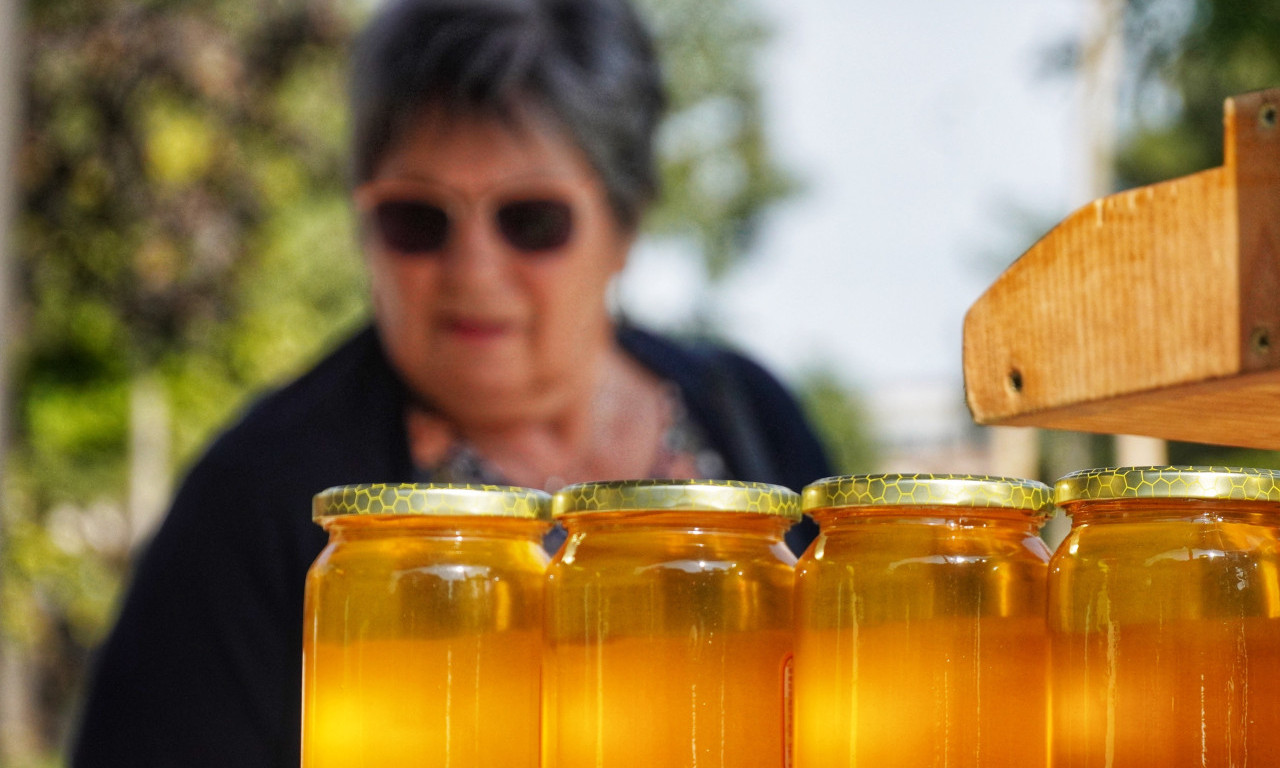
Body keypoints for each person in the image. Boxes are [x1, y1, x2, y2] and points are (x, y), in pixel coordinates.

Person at [69, 0, 832, 765]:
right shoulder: (255, 498)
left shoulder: (751, 416)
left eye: (530, 219)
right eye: (417, 218)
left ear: (626, 223)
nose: (473, 269)